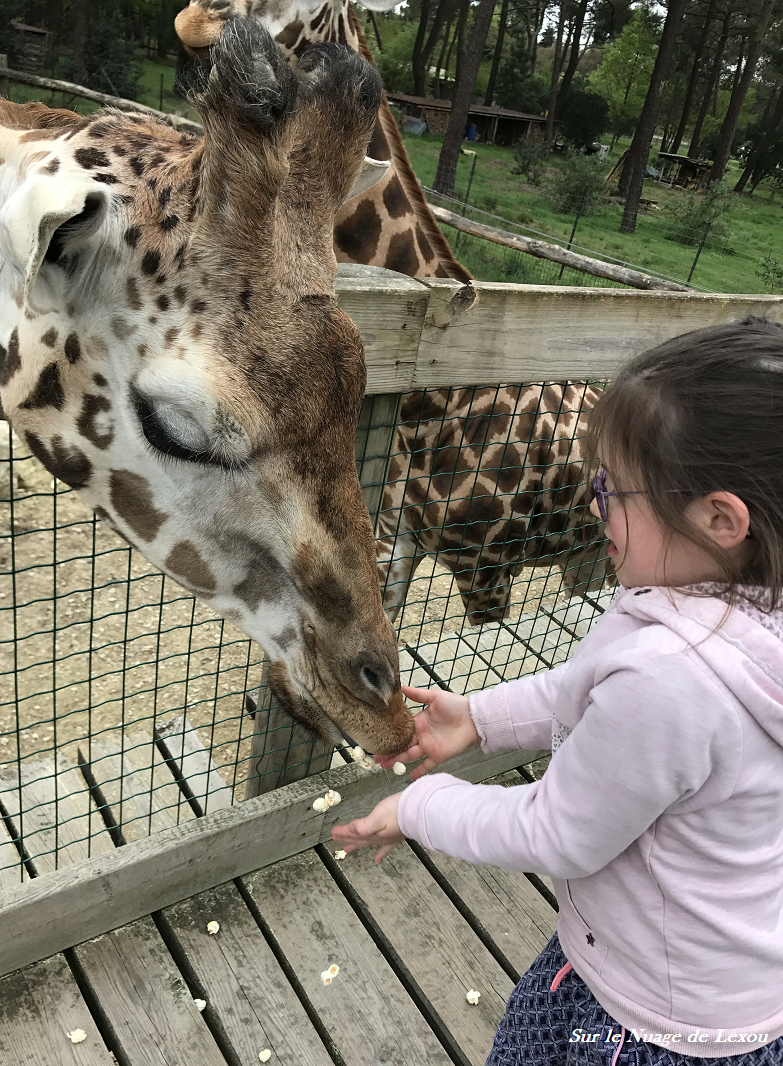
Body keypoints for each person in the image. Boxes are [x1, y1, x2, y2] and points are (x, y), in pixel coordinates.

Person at [333, 317, 783, 1065]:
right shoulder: (725, 608)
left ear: (720, 518)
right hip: (683, 968)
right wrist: (480, 719)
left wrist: (419, 807)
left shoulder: (672, 678)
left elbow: (557, 832)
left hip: (648, 1025)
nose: (592, 503)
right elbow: (589, 688)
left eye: (613, 489)